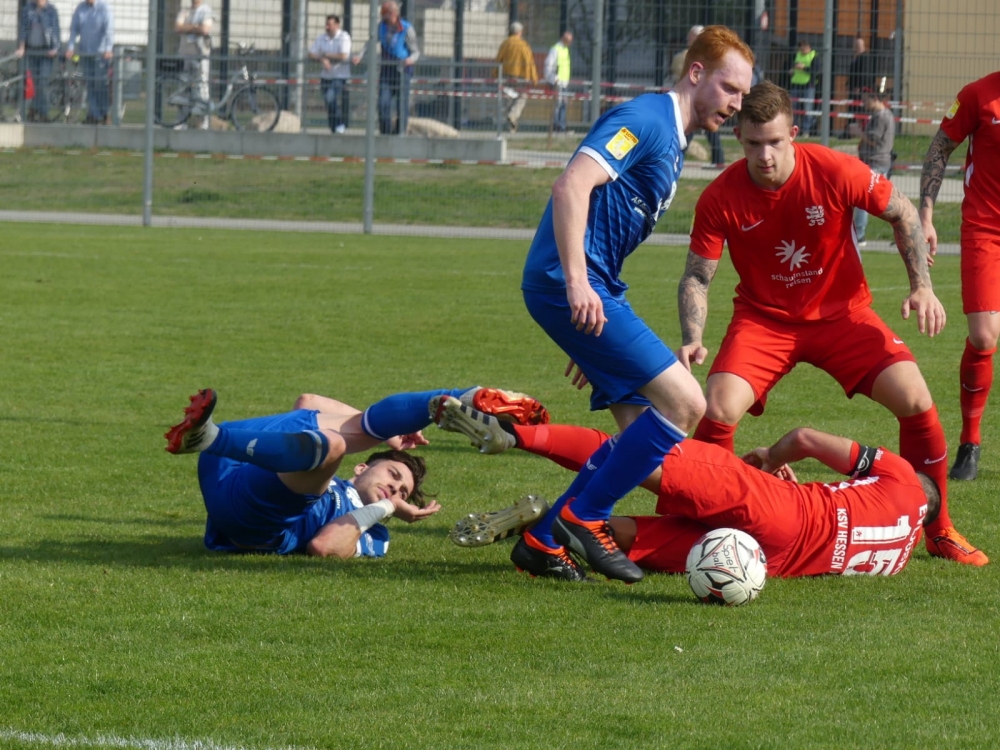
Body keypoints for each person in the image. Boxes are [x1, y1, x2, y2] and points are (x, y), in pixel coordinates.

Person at [675, 80, 986, 567]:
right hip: (765, 321)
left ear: (793, 134)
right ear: (739, 138)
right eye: (753, 144)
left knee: (916, 399)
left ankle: (939, 527)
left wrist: (921, 286)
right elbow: (697, 275)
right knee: (717, 407)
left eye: (774, 142)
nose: (764, 155)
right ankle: (705, 524)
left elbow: (903, 213)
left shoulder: (834, 169)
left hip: (843, 315)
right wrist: (692, 338)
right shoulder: (720, 196)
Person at [518, 26, 755, 583]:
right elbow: (571, 186)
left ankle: (542, 540)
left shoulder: (673, 142)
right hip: (569, 283)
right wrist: (577, 285)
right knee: (686, 403)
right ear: (695, 73)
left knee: (640, 438)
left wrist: (591, 340)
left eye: (743, 94)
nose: (736, 104)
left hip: (596, 293)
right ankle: (584, 517)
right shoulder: (646, 121)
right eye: (729, 88)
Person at [433, 400, 936, 581]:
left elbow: (806, 439)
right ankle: (548, 528)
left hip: (782, 508)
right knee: (613, 538)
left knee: (636, 452)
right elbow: (844, 528)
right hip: (767, 560)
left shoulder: (905, 480)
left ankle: (514, 435)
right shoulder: (899, 556)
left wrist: (771, 459)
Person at [165, 386, 548, 558]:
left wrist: (384, 510)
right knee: (321, 424)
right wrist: (389, 435)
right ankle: (460, 397)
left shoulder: (375, 533)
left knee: (332, 444)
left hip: (254, 524)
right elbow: (308, 400)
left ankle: (211, 438)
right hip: (228, 467)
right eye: (393, 476)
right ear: (362, 468)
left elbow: (324, 547)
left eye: (402, 492)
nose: (395, 490)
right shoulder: (330, 475)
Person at [919, 71, 1000, 483]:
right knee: (984, 337)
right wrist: (926, 215)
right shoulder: (978, 95)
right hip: (986, 229)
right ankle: (970, 440)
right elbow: (939, 148)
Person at [352, 1, 419, 136]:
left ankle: (399, 133)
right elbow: (371, 42)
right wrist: (360, 55)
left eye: (384, 13)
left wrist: (410, 59)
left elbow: (416, 52)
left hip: (402, 71)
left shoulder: (406, 29)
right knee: (383, 103)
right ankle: (385, 133)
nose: (382, 16)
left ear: (393, 13)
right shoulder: (381, 27)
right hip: (386, 71)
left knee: (401, 105)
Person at [670, 25, 724, 168]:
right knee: (697, 129)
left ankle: (677, 158)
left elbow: (678, 75)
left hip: (698, 98)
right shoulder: (711, 57)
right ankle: (718, 159)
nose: (688, 39)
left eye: (691, 36)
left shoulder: (684, 57)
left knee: (695, 128)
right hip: (700, 98)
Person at [854, 87, 895, 245]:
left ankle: (859, 235)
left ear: (875, 98)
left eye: (866, 99)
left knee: (863, 200)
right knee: (881, 201)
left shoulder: (881, 116)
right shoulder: (885, 115)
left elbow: (875, 140)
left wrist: (858, 132)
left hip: (875, 163)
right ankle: (902, 229)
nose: (863, 103)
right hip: (879, 162)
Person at [66, 0, 114, 125]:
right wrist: (70, 47)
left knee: (100, 84)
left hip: (100, 55)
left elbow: (109, 30)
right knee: (90, 85)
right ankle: (94, 115)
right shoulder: (80, 8)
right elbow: (74, 29)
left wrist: (108, 49)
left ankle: (105, 113)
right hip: (85, 54)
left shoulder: (104, 7)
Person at [16, 0, 61, 122]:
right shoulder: (28, 9)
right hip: (32, 51)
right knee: (35, 83)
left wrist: (55, 48)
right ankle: (35, 110)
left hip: (46, 52)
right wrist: (22, 47)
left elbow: (55, 30)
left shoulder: (51, 10)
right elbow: (23, 29)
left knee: (42, 81)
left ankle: (43, 112)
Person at [309, 14, 351, 134]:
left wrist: (326, 55)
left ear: (337, 25)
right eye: (326, 24)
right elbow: (311, 53)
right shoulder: (322, 38)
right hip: (326, 76)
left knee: (330, 97)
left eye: (330, 25)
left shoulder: (343, 37)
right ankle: (334, 129)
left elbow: (343, 55)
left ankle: (339, 124)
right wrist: (321, 59)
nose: (327, 27)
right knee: (328, 102)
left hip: (339, 76)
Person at [175, 0, 213, 131]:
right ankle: (181, 122)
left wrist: (187, 27)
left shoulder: (206, 12)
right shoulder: (184, 12)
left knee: (202, 89)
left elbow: (205, 29)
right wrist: (195, 27)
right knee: (183, 89)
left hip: (201, 56)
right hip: (185, 55)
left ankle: (203, 124)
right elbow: (178, 28)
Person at [495, 21, 538, 133]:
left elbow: (498, 59)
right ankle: (513, 116)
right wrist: (533, 78)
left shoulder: (505, 44)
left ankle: (509, 123)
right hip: (521, 77)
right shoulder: (523, 45)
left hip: (506, 75)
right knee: (522, 97)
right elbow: (530, 62)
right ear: (519, 32)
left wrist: (495, 74)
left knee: (508, 98)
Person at [842, 37, 875, 139]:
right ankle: (849, 131)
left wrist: (859, 87)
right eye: (855, 45)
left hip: (860, 90)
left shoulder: (865, 58)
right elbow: (853, 72)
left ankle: (857, 131)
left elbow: (864, 74)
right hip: (854, 89)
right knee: (852, 110)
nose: (855, 48)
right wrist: (848, 84)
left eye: (858, 46)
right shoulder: (856, 57)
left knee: (860, 111)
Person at [543, 30, 572, 134]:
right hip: (557, 82)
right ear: (563, 39)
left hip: (564, 82)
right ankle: (556, 125)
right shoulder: (555, 49)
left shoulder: (565, 49)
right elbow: (548, 65)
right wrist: (552, 79)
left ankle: (561, 126)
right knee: (558, 104)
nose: (569, 43)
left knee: (563, 104)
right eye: (568, 40)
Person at [789, 39, 817, 135]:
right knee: (794, 109)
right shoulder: (796, 55)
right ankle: (794, 130)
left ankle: (806, 130)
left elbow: (816, 70)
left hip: (808, 86)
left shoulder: (814, 56)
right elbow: (790, 65)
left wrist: (804, 68)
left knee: (807, 109)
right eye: (801, 46)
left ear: (809, 47)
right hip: (796, 84)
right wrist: (791, 70)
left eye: (805, 46)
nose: (803, 48)